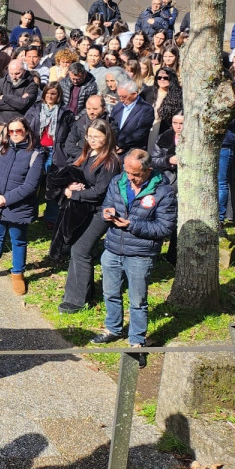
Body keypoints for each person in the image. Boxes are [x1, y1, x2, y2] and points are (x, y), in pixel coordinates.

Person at [90, 150, 177, 363]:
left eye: (135, 174)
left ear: (148, 170)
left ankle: (137, 342)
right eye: (127, 172)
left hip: (140, 254)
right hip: (113, 248)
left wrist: (132, 225)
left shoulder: (164, 192)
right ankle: (113, 328)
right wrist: (107, 212)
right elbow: (107, 204)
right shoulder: (118, 181)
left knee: (138, 301)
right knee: (110, 293)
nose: (130, 178)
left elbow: (165, 228)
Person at [56, 121, 123, 312]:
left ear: (107, 138)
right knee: (77, 248)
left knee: (81, 250)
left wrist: (74, 194)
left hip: (100, 211)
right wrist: (70, 185)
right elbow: (74, 173)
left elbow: (100, 192)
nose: (92, 140)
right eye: (89, 136)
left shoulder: (110, 161)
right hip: (84, 208)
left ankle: (77, 300)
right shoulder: (87, 154)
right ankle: (81, 291)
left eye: (96, 137)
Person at [0, 116, 44, 294]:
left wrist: (6, 199)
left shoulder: (36, 154)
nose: (15, 134)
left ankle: (18, 274)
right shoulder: (1, 148)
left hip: (19, 206)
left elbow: (30, 186)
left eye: (19, 130)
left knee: (18, 241)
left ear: (26, 131)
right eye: (11, 131)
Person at [111, 81, 154, 154]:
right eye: (119, 96)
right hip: (114, 150)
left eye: (124, 97)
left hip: (133, 151)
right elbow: (112, 125)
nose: (121, 100)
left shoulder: (146, 109)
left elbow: (140, 133)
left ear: (134, 94)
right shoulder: (117, 107)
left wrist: (120, 144)